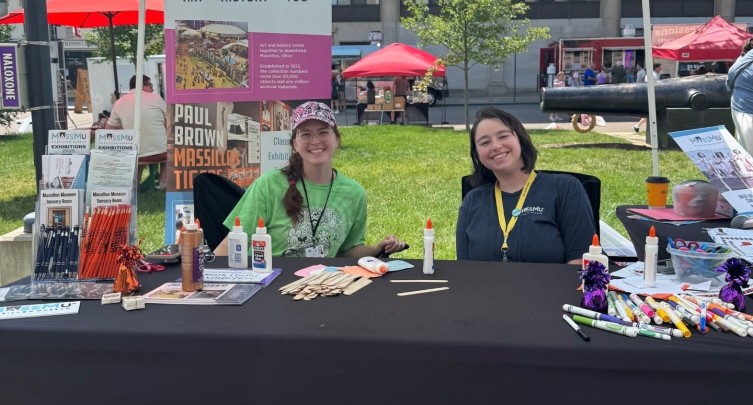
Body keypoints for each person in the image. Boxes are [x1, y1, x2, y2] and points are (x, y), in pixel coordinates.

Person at [215, 101, 405, 258]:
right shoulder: (268, 185)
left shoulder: (354, 194)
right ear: (295, 144)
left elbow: (346, 252)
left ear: (337, 139)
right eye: (305, 134)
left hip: (322, 286)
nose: (315, 140)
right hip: (269, 282)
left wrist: (378, 248)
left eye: (323, 132)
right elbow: (235, 241)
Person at [456, 107, 596, 264]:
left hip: (551, 281)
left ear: (520, 139)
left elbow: (580, 262)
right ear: (477, 154)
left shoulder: (565, 188)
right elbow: (464, 268)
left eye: (503, 136)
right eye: (484, 142)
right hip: (485, 281)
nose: (495, 146)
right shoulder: (472, 201)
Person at [106, 75, 168, 190]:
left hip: (135, 154)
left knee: (137, 152)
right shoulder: (156, 98)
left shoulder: (119, 102)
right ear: (143, 86)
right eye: (150, 85)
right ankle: (163, 183)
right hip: (161, 152)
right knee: (171, 147)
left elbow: (109, 129)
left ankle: (135, 184)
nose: (152, 89)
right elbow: (169, 122)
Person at [727, 39, 753, 153]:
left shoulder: (741, 59)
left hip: (740, 106)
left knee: (745, 150)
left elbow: (729, 83)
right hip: (748, 109)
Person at [633, 63, 663, 132]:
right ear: (656, 68)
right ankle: (638, 126)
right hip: (650, 96)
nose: (661, 69)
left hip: (654, 95)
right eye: (660, 67)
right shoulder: (652, 75)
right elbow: (648, 85)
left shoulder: (656, 74)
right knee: (651, 112)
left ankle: (637, 126)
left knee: (651, 113)